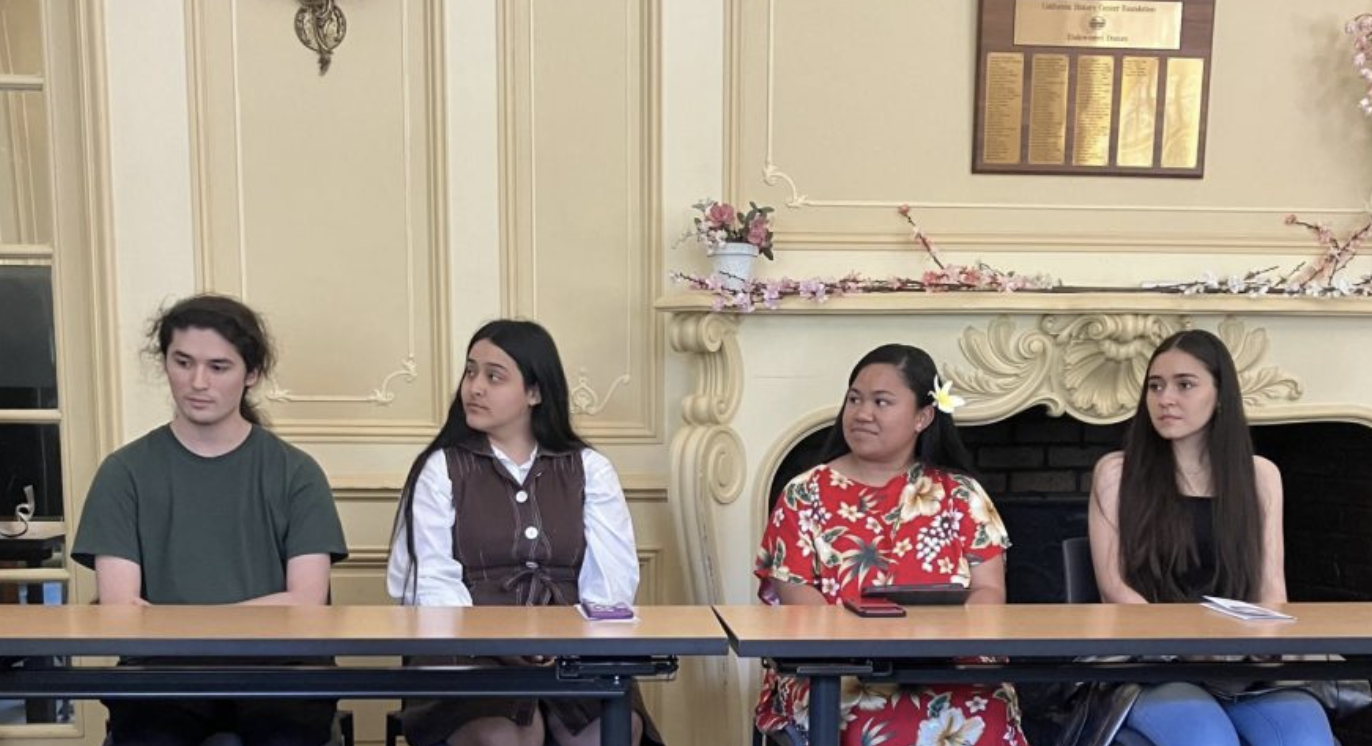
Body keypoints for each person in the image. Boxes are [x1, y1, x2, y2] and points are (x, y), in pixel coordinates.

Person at [71, 294, 349, 746]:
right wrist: (244, 616)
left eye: (218, 367)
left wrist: (170, 620)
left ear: (251, 374)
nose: (197, 382)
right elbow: (122, 612)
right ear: (165, 364)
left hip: (281, 674)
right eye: (183, 362)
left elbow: (305, 603)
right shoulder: (124, 472)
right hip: (162, 676)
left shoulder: (296, 472)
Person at [387, 319, 658, 746]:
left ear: (534, 392)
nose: (474, 387)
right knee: (505, 734)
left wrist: (564, 642)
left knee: (605, 731)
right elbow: (428, 586)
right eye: (471, 371)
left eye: (494, 377)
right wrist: (503, 642)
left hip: (573, 651)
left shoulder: (589, 469)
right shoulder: (440, 469)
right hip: (467, 655)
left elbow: (612, 586)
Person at [754, 343, 1027, 746]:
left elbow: (990, 591)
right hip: (835, 673)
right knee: (876, 727)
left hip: (949, 668)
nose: (862, 414)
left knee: (987, 715)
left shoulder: (960, 494)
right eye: (854, 400)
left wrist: (935, 643)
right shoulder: (804, 493)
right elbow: (795, 597)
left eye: (882, 402)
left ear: (923, 416)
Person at [1087, 329, 1334, 746]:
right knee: (1207, 735)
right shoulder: (1116, 472)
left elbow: (1271, 587)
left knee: (1304, 732)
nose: (1165, 398)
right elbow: (1116, 589)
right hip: (1149, 661)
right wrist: (1187, 645)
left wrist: (1263, 643)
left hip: (1239, 662)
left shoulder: (1261, 476)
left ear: (1220, 396)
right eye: (1155, 386)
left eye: (1185, 385)